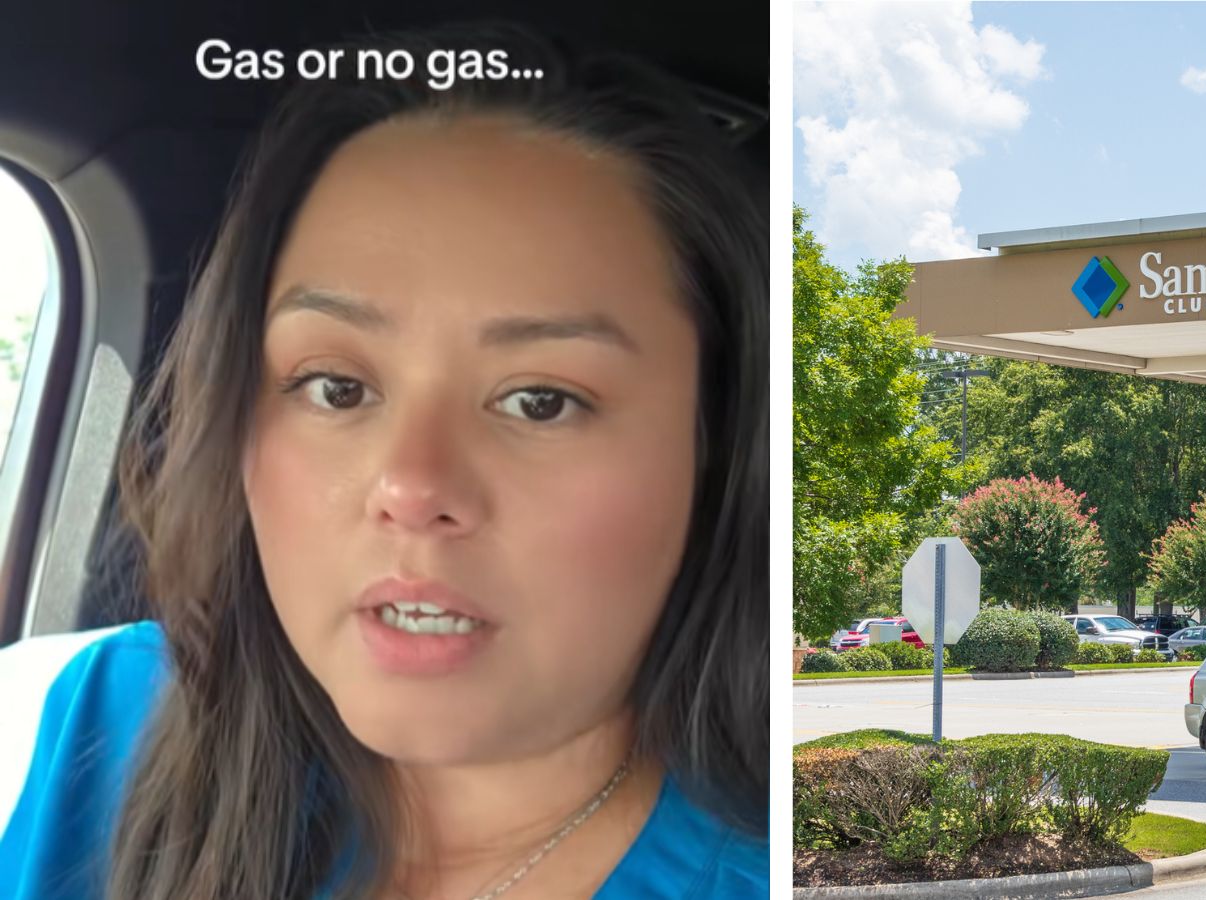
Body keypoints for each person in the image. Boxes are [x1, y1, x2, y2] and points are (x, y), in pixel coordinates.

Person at [0, 22, 767, 900]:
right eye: (334, 387)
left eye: (540, 401)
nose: (410, 486)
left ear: (711, 456)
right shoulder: (97, 722)